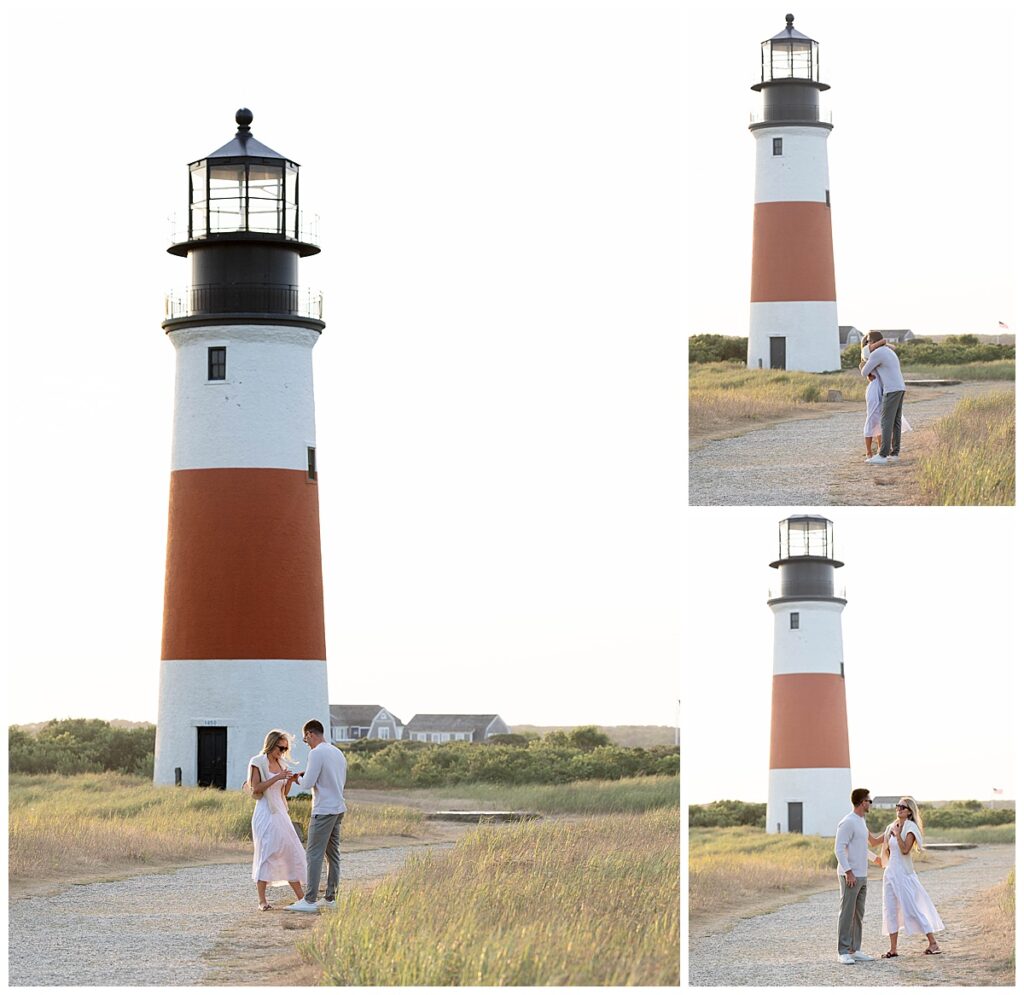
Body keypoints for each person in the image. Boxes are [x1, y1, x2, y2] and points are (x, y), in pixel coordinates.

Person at [284, 718, 348, 913]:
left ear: (310, 734)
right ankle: (330, 897)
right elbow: (332, 778)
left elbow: (307, 783)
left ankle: (310, 899)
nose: (307, 743)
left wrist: (297, 778)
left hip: (323, 810)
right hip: (338, 807)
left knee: (313, 854)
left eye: (305, 740)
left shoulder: (317, 753)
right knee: (333, 854)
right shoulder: (336, 752)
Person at [878, 797, 944, 958]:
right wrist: (859, 826)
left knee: (912, 907)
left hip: (904, 874)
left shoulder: (910, 827)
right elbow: (875, 841)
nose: (899, 809)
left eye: (903, 807)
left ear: (909, 811)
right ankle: (893, 949)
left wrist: (898, 835)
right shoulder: (891, 827)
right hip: (890, 873)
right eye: (898, 806)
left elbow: (905, 850)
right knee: (890, 909)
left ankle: (933, 943)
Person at [248, 730, 306, 911]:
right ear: (271, 745)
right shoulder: (257, 762)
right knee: (267, 851)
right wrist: (277, 778)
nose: (283, 751)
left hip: (281, 813)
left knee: (291, 850)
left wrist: (290, 780)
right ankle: (262, 901)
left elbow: (283, 793)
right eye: (281, 747)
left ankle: (302, 898)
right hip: (265, 813)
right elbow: (255, 789)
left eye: (285, 748)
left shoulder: (281, 763)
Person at [834, 788, 887, 965]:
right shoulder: (847, 822)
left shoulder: (861, 821)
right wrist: (848, 872)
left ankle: (854, 950)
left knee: (858, 913)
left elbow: (869, 843)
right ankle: (843, 951)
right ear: (862, 802)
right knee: (847, 913)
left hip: (862, 875)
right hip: (850, 875)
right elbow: (839, 849)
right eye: (869, 801)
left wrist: (892, 830)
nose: (870, 804)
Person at [860, 332, 907, 465]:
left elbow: (864, 372)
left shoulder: (877, 353)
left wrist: (866, 367)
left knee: (886, 421)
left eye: (869, 341)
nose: (868, 344)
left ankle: (882, 455)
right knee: (896, 421)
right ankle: (895, 453)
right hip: (900, 387)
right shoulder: (888, 351)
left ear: (872, 342)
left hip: (891, 390)